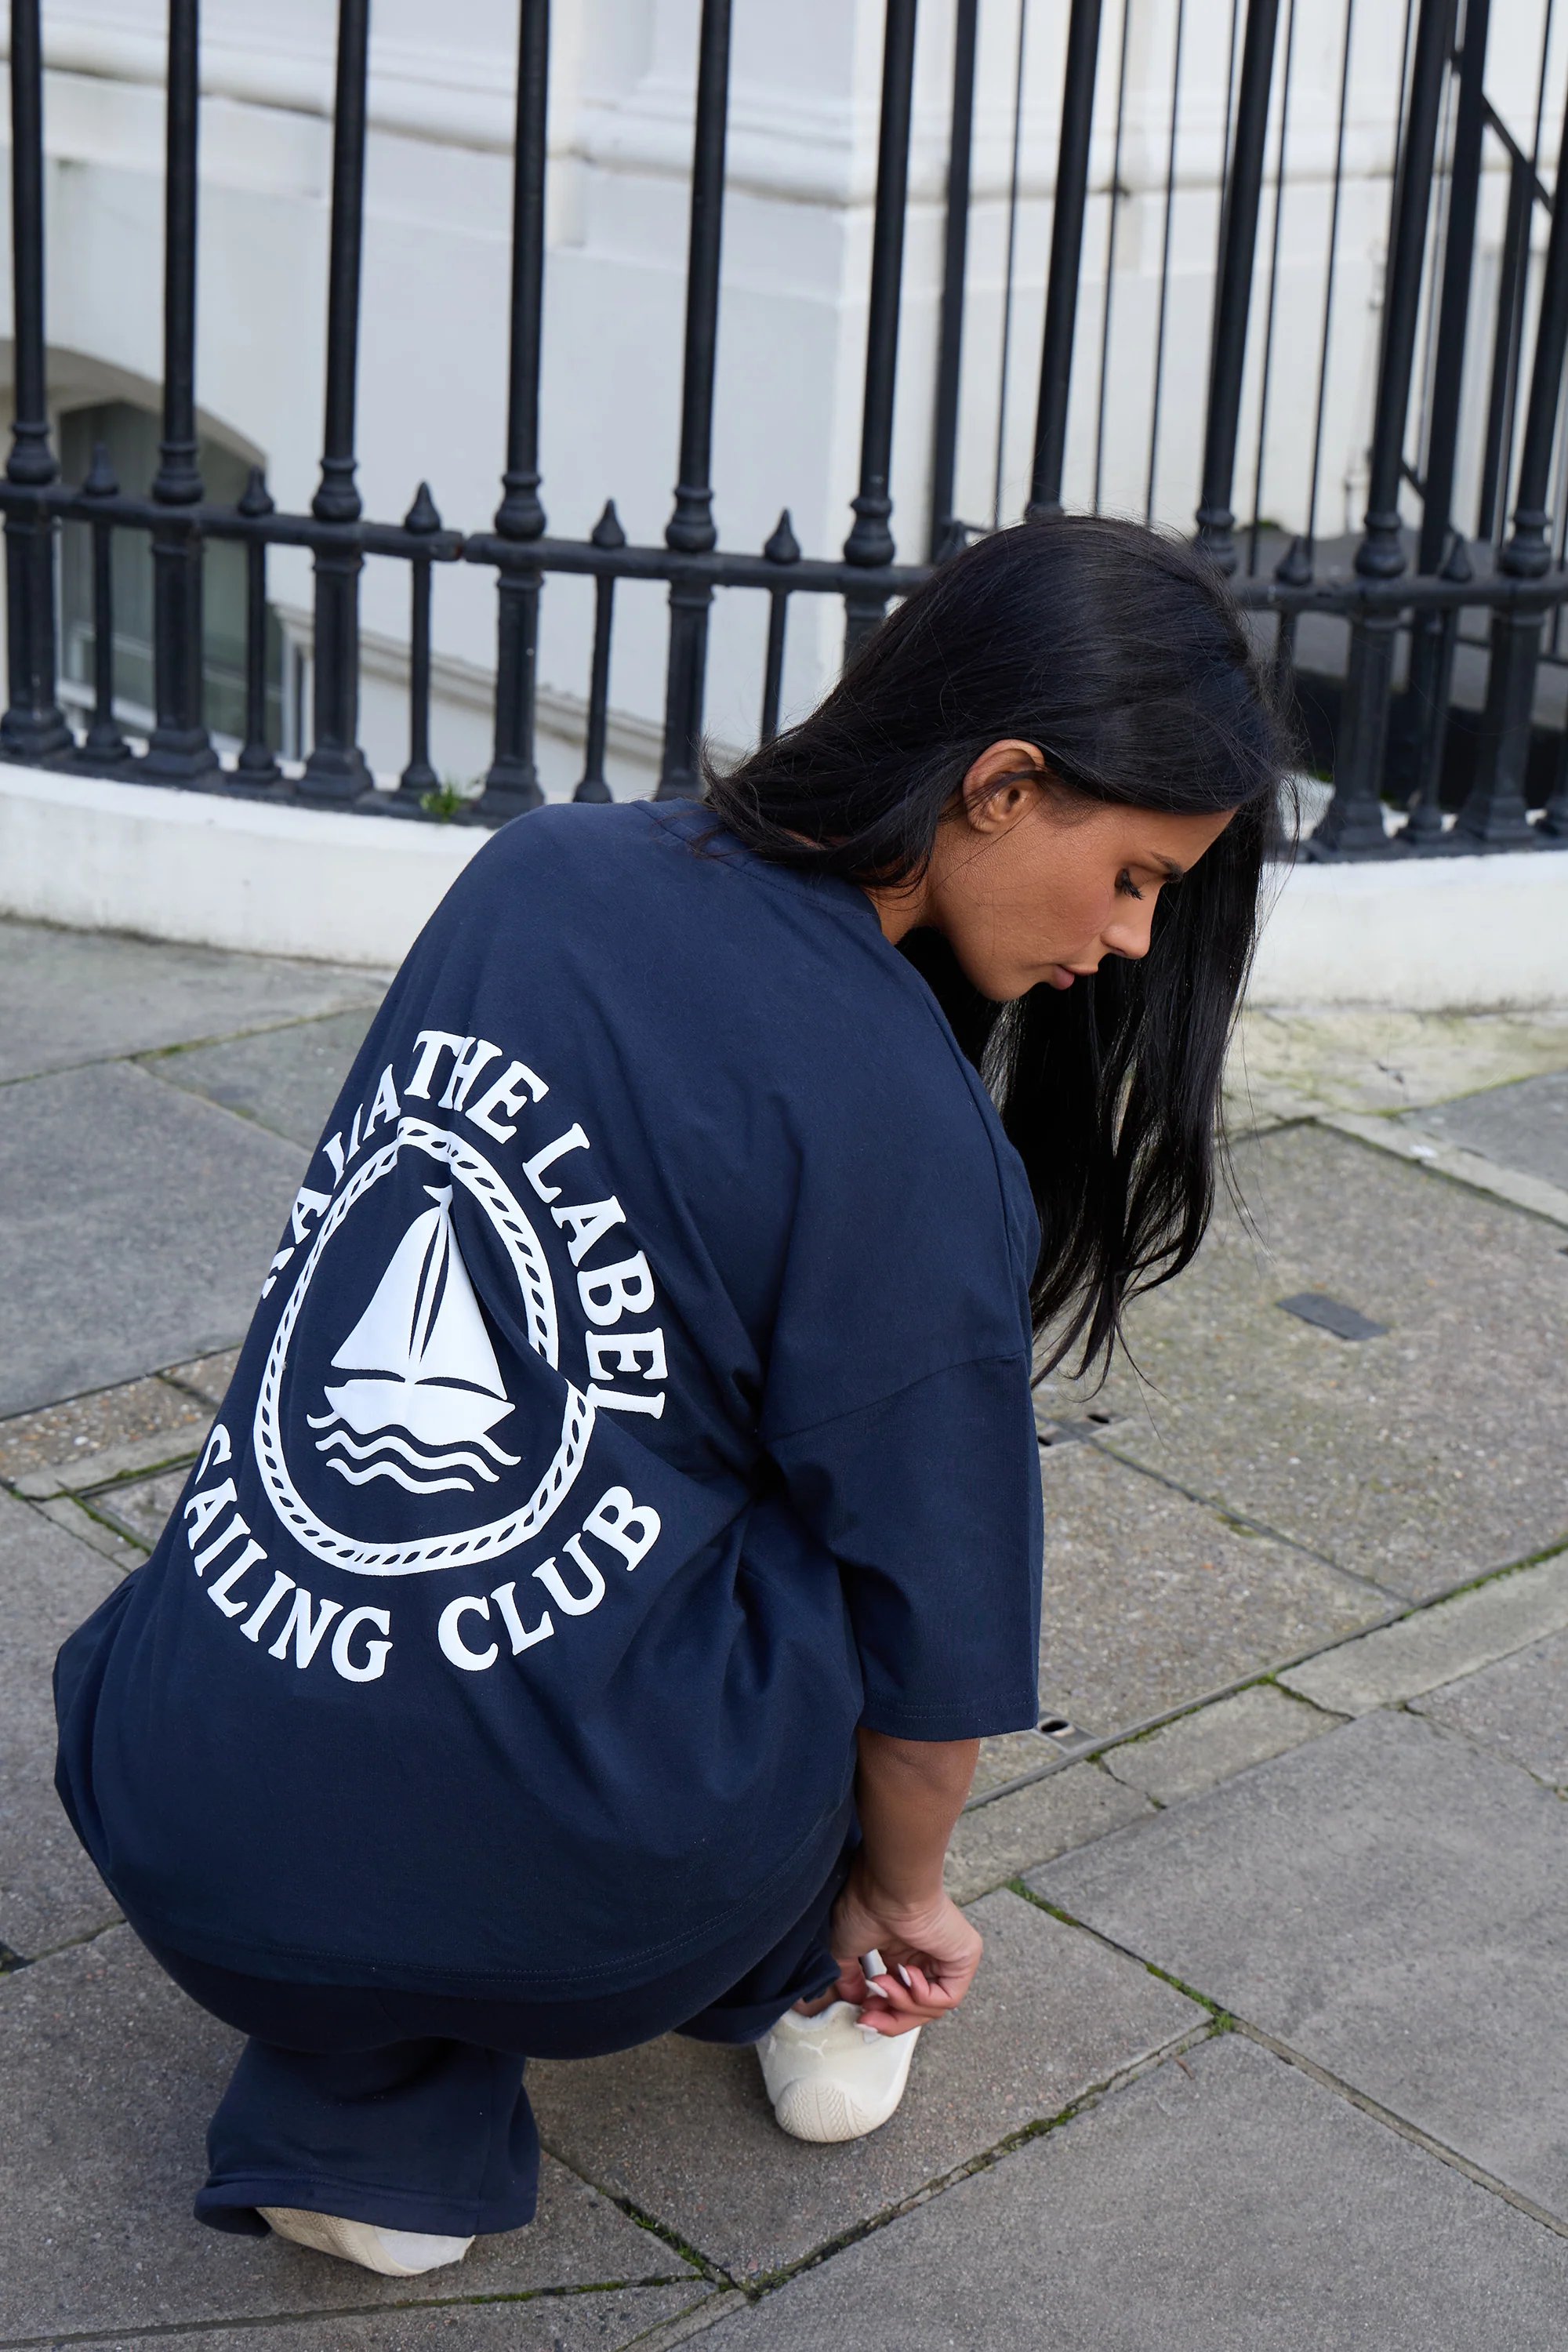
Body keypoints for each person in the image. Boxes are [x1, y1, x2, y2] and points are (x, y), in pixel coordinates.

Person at [54, 514, 1283, 2278]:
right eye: (1138, 876)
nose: (1136, 939)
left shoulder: (538, 868)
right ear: (1004, 785)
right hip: (587, 1900)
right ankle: (803, 1979)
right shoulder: (900, 1123)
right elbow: (933, 1647)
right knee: (871, 1526)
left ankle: (366, 2119)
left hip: (169, 1789)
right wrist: (897, 1899)